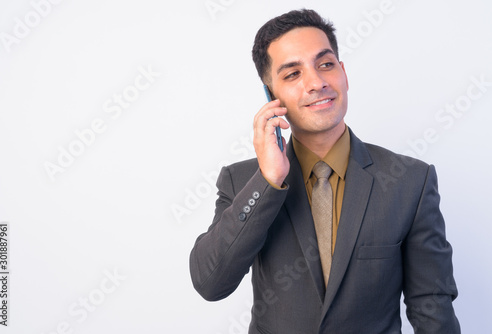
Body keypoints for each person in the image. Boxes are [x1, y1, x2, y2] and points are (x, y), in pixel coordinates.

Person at [189, 8, 460, 334]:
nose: (316, 83)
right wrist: (268, 180)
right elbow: (211, 283)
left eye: (326, 64)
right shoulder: (242, 181)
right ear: (271, 96)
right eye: (292, 74)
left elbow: (433, 308)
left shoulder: (410, 181)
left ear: (343, 73)